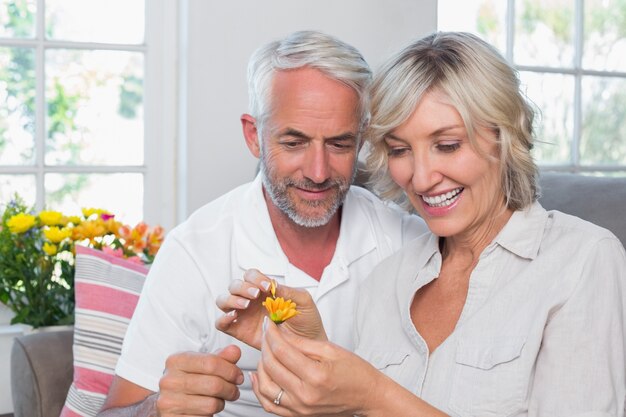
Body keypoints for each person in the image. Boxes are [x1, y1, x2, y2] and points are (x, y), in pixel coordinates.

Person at [220, 31, 626, 417]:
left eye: (447, 145)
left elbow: (376, 399)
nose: (421, 177)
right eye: (399, 150)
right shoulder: (386, 280)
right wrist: (312, 363)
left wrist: (375, 393)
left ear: (503, 137)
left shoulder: (583, 260)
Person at [97, 30, 427, 417]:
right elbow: (114, 411)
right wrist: (156, 409)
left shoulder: (404, 239)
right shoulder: (194, 250)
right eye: (294, 142)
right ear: (253, 136)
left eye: (340, 144)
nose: (318, 172)